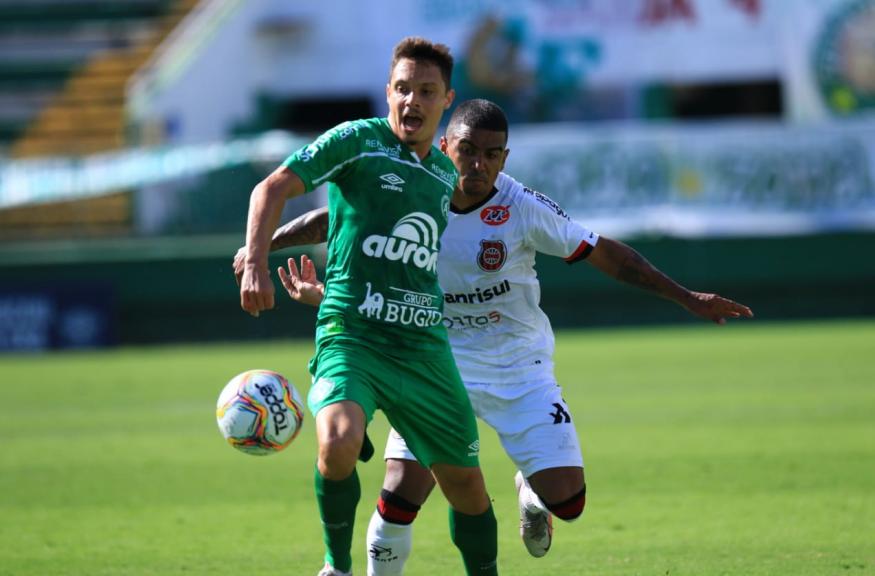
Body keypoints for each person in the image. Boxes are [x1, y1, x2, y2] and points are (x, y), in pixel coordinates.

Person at [238, 99, 754, 575]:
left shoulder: (523, 207)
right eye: (466, 151)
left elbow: (606, 253)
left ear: (504, 158)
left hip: (518, 364)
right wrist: (264, 246)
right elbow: (335, 219)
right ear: (446, 147)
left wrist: (686, 296)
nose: (477, 165)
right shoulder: (423, 185)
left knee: (568, 503)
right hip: (431, 356)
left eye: (490, 154)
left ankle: (531, 487)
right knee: (399, 497)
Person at [237, 39, 499, 576]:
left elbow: (370, 237)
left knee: (468, 489)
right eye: (403, 89)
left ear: (445, 100)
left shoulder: (445, 177)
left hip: (423, 348)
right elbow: (272, 187)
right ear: (388, 92)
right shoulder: (358, 141)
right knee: (336, 442)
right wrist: (257, 260)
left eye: (426, 91)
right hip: (352, 337)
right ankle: (337, 566)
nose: (412, 101)